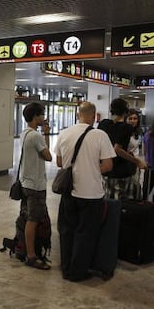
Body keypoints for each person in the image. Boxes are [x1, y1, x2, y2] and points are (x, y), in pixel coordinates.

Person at [54, 102, 116, 282]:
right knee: (85, 233)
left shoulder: (64, 133)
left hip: (68, 191)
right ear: (94, 115)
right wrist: (91, 168)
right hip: (91, 193)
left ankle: (66, 268)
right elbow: (108, 165)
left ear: (77, 114)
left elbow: (59, 163)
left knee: (67, 231)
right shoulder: (99, 135)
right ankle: (78, 272)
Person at [18, 102, 52, 270]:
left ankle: (26, 249)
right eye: (42, 114)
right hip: (35, 185)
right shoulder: (36, 136)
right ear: (35, 116)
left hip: (25, 182)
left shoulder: (25, 133)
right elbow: (48, 156)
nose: (43, 117)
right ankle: (31, 256)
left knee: (28, 218)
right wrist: (47, 134)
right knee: (33, 220)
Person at [98, 98, 147, 199]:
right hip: (120, 171)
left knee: (105, 199)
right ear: (125, 112)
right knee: (118, 201)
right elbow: (117, 149)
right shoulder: (126, 127)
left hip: (104, 168)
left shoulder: (103, 123)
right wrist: (137, 161)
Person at [143, 122, 154, 200]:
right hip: (150, 166)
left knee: (146, 190)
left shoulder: (147, 135)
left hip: (148, 166)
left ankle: (144, 207)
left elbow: (144, 151)